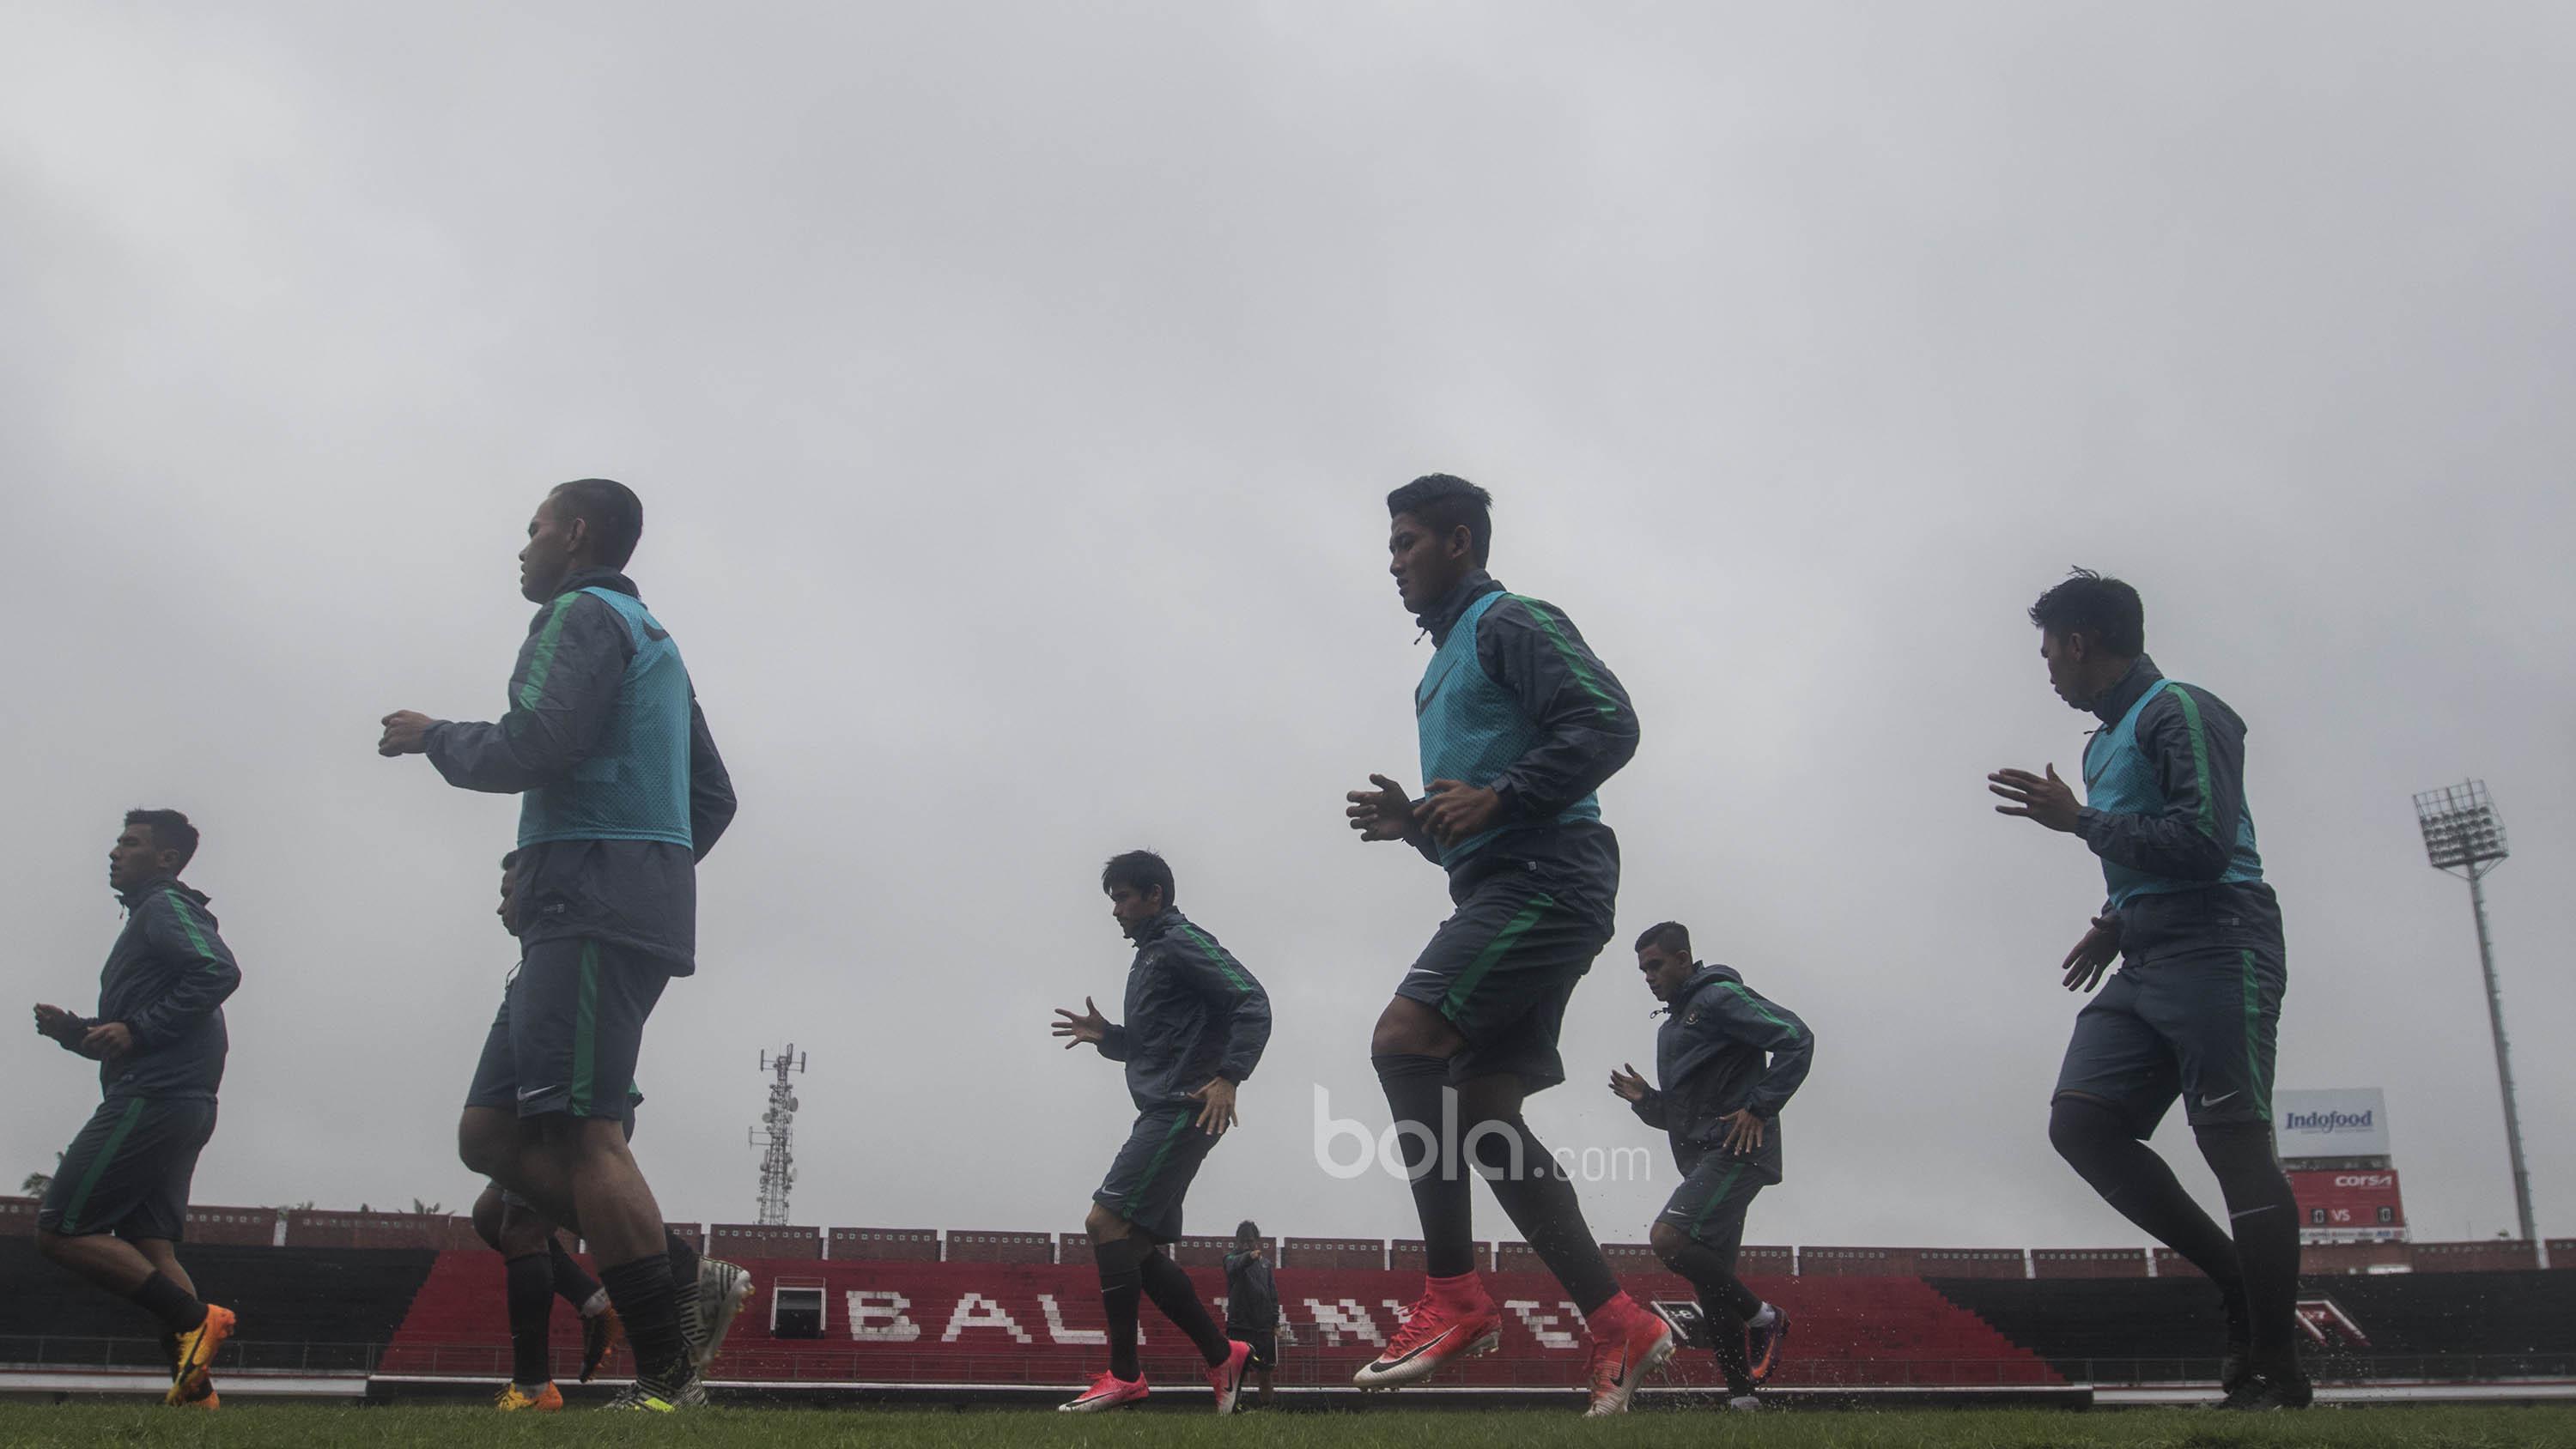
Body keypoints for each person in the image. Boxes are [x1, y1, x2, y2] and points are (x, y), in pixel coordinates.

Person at [379, 477, 740, 1412]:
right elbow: (712, 798)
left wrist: (433, 737)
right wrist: (613, 866)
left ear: (575, 533)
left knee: (585, 1130)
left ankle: (668, 1383)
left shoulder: (580, 615)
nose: (523, 544)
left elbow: (536, 743)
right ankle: (682, 1276)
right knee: (490, 1132)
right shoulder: (655, 640)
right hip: (589, 900)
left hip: (588, 906)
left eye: (533, 525)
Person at [1342, 474, 1673, 1416]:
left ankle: (1453, 1293)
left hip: (1551, 872)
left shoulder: (1508, 619)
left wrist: (1504, 797)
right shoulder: (1436, 667)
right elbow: (1472, 815)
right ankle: (1617, 1319)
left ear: (1458, 539)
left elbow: (1609, 722)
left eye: (1406, 541)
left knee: (1404, 1039)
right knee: (1483, 1105)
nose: (1393, 559)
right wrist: (1417, 821)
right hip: (1504, 879)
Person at [1988, 568, 2308, 1411]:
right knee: (2083, 1121)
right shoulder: (2103, 742)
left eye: (2049, 648)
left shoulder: (2184, 710)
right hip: (2146, 948)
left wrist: (2079, 820)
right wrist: (2113, 920)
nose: (2047, 666)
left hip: (2218, 938)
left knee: (2233, 1142)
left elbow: (2202, 842)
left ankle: (2274, 1363)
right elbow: (2146, 846)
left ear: (2080, 641)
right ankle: (2238, 1277)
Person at [31, 809, 242, 1410]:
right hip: (181, 1099)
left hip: (156, 1096)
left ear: (166, 858)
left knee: (60, 1230)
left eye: (130, 842)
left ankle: (197, 1318)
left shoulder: (166, 907)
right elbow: (130, 1029)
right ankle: (195, 1389)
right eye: (117, 841)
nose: (115, 852)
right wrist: (77, 1033)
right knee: (150, 1245)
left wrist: (138, 1031)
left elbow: (218, 970)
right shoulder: (149, 917)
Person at [1050, 851, 1270, 1415]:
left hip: (1182, 1107)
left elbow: (1252, 999)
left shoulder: (1179, 942)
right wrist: (1111, 1038)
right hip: (1163, 1105)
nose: (1117, 911)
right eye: (1114, 900)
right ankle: (1224, 1355)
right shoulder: (1151, 956)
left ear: (1155, 895)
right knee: (1136, 1244)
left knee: (1105, 1221)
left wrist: (1230, 1078)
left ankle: (1125, 1376)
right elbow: (1156, 1047)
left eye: (1125, 898)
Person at [1607, 921, 1809, 1410]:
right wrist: (1646, 1102)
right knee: (1711, 1282)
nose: (1649, 976)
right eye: (1642, 970)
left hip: (1738, 1152)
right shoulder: (1670, 1029)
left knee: (1668, 1239)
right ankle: (1744, 1401)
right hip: (1702, 1159)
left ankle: (1765, 1318)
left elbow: (1796, 1038)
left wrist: (1760, 1107)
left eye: (1656, 965)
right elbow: (1683, 1118)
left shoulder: (1718, 997)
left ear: (1683, 959)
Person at [1222, 1221, 1282, 1408]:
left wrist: (1275, 1321)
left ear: (1257, 1240)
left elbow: (1272, 1294)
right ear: (1237, 1242)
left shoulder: (1265, 1264)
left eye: (1250, 1241)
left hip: (1263, 1327)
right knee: (1236, 1372)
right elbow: (1235, 1265)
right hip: (1240, 1326)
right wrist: (1249, 1256)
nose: (1247, 1245)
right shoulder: (1230, 1259)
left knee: (1265, 1372)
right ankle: (1231, 1409)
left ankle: (1267, 1408)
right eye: (1243, 1242)